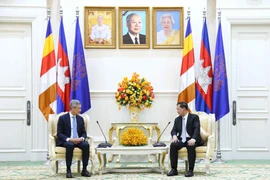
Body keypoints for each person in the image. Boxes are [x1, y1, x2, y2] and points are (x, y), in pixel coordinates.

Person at [167, 102, 204, 177]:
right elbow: (173, 130)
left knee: (190, 145)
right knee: (173, 145)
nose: (177, 111)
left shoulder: (194, 117)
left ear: (184, 109)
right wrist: (174, 136)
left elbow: (197, 129)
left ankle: (190, 170)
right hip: (181, 139)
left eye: (178, 109)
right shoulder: (177, 119)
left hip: (192, 139)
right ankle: (174, 169)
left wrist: (193, 139)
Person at [57, 99, 91, 178]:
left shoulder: (80, 119)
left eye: (80, 108)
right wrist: (70, 139)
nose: (80, 110)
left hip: (78, 140)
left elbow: (83, 132)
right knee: (70, 145)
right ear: (73, 108)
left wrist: (82, 138)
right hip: (67, 140)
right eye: (78, 108)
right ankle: (68, 170)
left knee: (86, 145)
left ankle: (84, 170)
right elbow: (59, 133)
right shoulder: (62, 118)